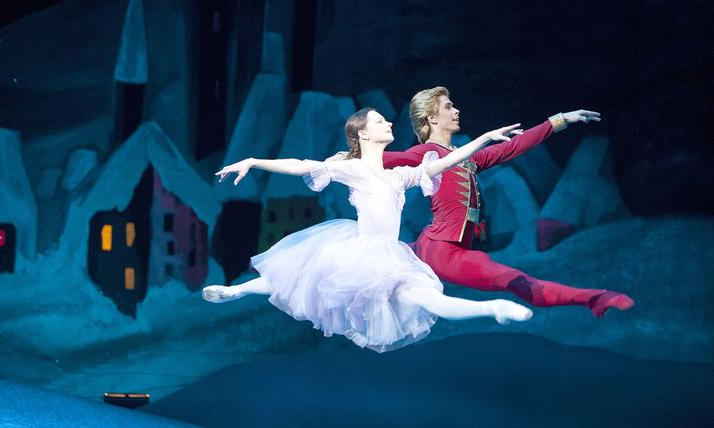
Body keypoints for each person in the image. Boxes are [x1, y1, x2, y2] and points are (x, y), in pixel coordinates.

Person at [202, 108, 532, 353]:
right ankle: (237, 291)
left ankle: (493, 309)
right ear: (362, 133)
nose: (388, 123)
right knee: (298, 275)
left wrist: (484, 139)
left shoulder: (397, 176)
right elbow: (302, 165)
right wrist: (253, 161)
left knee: (427, 298)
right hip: (359, 250)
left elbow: (440, 165)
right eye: (379, 121)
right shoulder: (354, 168)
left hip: (390, 256)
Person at [381, 87, 634, 318]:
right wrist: (345, 159)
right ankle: (595, 299)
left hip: (437, 244)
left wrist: (560, 120)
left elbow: (512, 147)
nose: (456, 110)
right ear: (432, 118)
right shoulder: (426, 154)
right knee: (519, 282)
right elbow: (386, 159)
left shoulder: (465, 158)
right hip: (444, 252)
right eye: (448, 106)